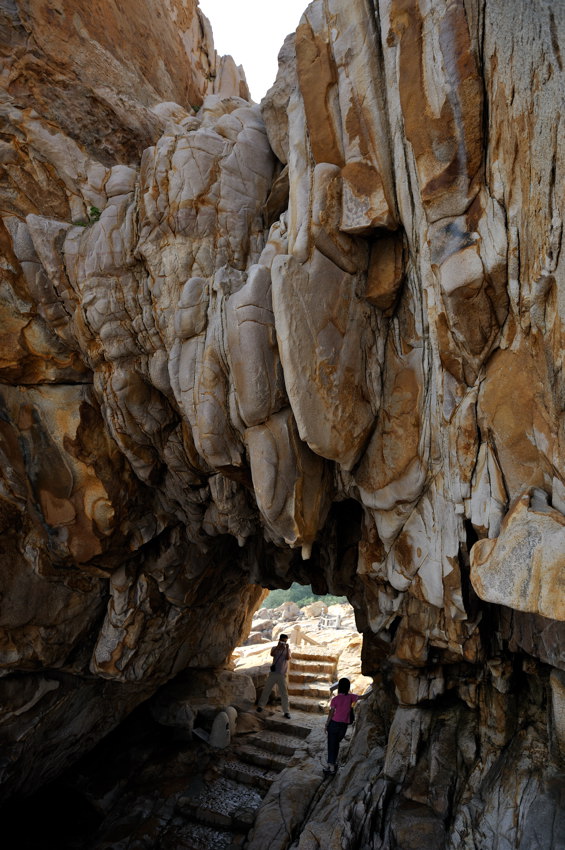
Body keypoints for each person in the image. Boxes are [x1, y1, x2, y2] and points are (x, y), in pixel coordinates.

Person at [324, 677, 371, 775]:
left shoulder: (335, 699)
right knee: (336, 744)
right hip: (343, 726)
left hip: (334, 724)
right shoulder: (351, 697)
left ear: (339, 687)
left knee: (331, 745)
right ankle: (331, 764)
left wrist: (327, 724)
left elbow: (331, 713)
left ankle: (331, 767)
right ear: (348, 687)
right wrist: (374, 689)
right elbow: (363, 697)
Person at [256, 633, 292, 718]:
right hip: (273, 673)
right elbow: (272, 654)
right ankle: (260, 706)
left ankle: (286, 712)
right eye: (283, 640)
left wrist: (286, 648)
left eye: (285, 641)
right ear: (280, 640)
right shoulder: (275, 648)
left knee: (284, 694)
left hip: (282, 674)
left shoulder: (288, 650)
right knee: (266, 690)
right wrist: (278, 647)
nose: (284, 642)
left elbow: (288, 658)